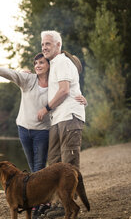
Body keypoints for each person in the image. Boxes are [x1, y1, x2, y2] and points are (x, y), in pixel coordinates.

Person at [0, 54, 86, 173]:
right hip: (24, 129)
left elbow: (66, 94)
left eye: (41, 62)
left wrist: (83, 100)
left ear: (49, 65)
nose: (37, 65)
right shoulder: (28, 79)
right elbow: (11, 74)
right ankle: (38, 190)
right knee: (32, 166)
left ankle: (38, 190)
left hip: (43, 131)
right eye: (35, 63)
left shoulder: (55, 84)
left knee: (39, 168)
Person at [36, 30, 86, 170]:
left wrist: (46, 109)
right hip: (57, 118)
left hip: (69, 117)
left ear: (58, 45)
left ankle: (74, 193)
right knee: (54, 163)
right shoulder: (54, 64)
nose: (44, 47)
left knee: (69, 165)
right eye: (42, 44)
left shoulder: (62, 62)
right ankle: (59, 193)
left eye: (48, 44)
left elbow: (64, 90)